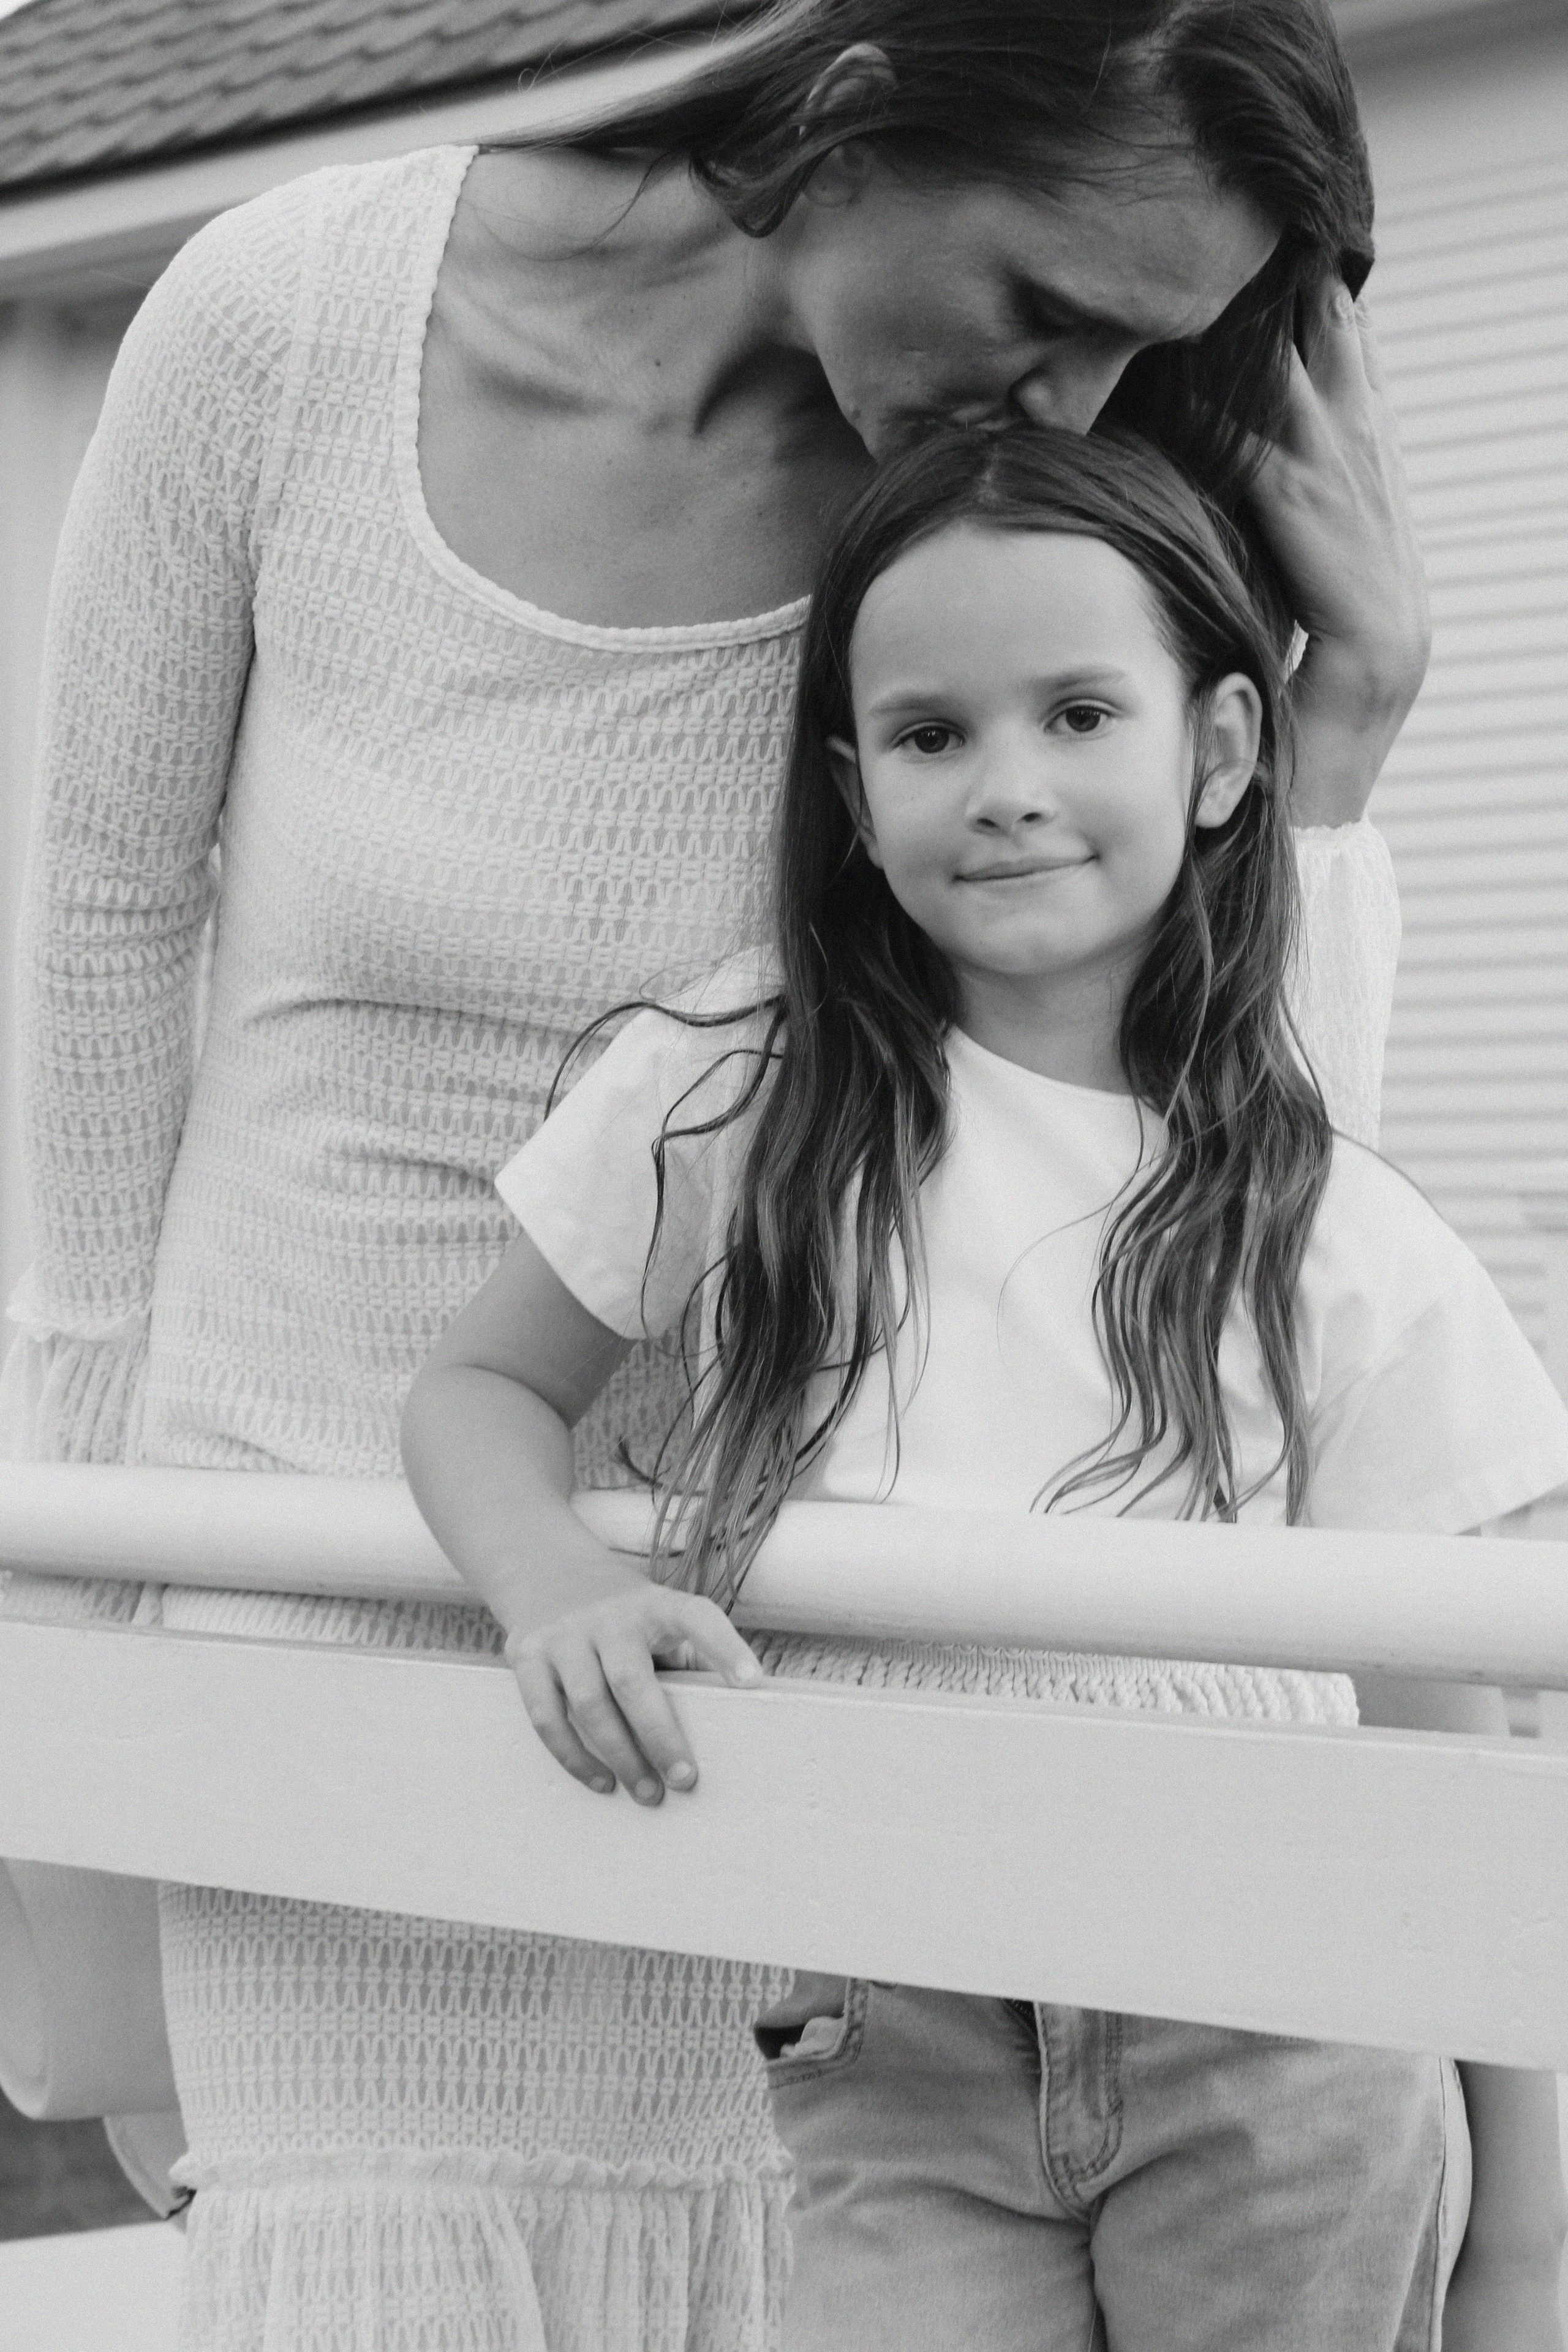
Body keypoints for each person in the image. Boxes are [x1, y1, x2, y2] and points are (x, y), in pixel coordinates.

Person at [5, 0, 1431, 2340]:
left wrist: (1342, 740)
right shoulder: (278, 324)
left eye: (1136, 353)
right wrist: (81, 1725)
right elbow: (92, 1000)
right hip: (336, 1722)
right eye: (1046, 310)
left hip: (839, 1787)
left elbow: (1221, 1220)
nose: (1069, 402)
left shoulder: (1019, 559)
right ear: (860, 104)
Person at [402, 424, 1568, 2352]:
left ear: (1216, 756)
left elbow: (1448, 1766)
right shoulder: (738, 1088)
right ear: (855, 797)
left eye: (1078, 714)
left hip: (1285, 2027)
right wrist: (556, 1580)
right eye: (936, 737)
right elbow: (476, 1390)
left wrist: (1527, 2246)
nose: (1008, 788)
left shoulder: (1325, 1225)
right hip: (895, 2010)